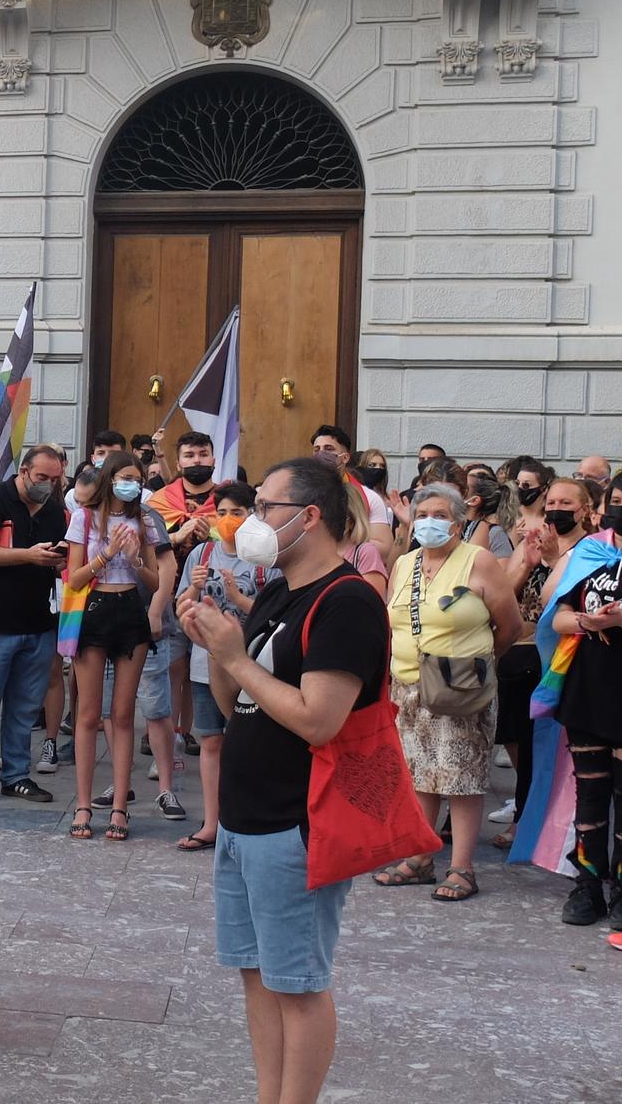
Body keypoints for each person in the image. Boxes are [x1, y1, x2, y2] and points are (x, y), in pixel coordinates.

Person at [179, 458, 387, 1104]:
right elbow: (235, 695)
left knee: (297, 983)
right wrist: (219, 649)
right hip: (243, 815)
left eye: (266, 506)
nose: (252, 520)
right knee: (258, 975)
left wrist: (237, 655)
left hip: (297, 819)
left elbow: (318, 719)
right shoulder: (276, 588)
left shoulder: (346, 600)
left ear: (310, 515)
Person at [371, 484, 519, 902]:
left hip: (459, 687)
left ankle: (462, 868)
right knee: (419, 774)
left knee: (462, 778)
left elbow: (507, 627)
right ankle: (420, 857)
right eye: (422, 514)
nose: (429, 521)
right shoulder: (404, 563)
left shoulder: (480, 561)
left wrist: (475, 663)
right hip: (407, 685)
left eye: (439, 514)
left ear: (457, 521)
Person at [539, 469, 622, 934]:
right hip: (588, 684)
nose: (616, 509)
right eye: (612, 500)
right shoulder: (590, 551)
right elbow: (554, 612)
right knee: (590, 792)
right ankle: (587, 884)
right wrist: (585, 622)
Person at [62, 451, 165, 841]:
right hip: (95, 607)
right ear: (109, 478)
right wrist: (105, 554)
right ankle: (84, 803)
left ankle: (120, 805)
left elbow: (154, 582)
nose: (132, 484)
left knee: (123, 715)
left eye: (137, 478)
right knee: (88, 714)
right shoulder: (84, 517)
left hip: (129, 609)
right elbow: (73, 579)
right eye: (125, 476)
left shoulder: (144, 519)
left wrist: (135, 559)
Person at [494, 476, 596, 838]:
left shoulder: (591, 548)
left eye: (567, 504)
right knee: (517, 734)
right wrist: (527, 561)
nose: (556, 510)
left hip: (561, 657)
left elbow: (563, 600)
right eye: (552, 502)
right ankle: (528, 809)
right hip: (521, 651)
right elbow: (503, 594)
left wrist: (554, 561)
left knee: (548, 743)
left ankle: (536, 819)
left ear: (585, 510)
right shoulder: (533, 540)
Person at [0, 444, 68, 803]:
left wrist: (59, 562)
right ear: (23, 471)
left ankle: (16, 775)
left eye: (55, 479)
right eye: (42, 477)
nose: (48, 485)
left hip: (40, 622)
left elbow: (60, 558)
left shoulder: (56, 511)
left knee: (25, 706)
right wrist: (27, 556)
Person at [174, 481, 264, 853]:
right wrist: (194, 590)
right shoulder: (202, 553)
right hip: (204, 663)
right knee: (211, 740)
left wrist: (239, 599)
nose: (228, 520)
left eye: (237, 513)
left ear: (252, 516)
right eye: (222, 513)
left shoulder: (262, 559)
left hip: (251, 665)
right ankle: (212, 822)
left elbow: (270, 615)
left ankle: (245, 821)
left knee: (249, 744)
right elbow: (181, 606)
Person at [310, 424, 396, 563]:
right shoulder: (299, 492)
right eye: (316, 449)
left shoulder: (369, 498)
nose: (321, 454)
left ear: (345, 458)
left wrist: (342, 545)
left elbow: (384, 548)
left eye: (329, 449)